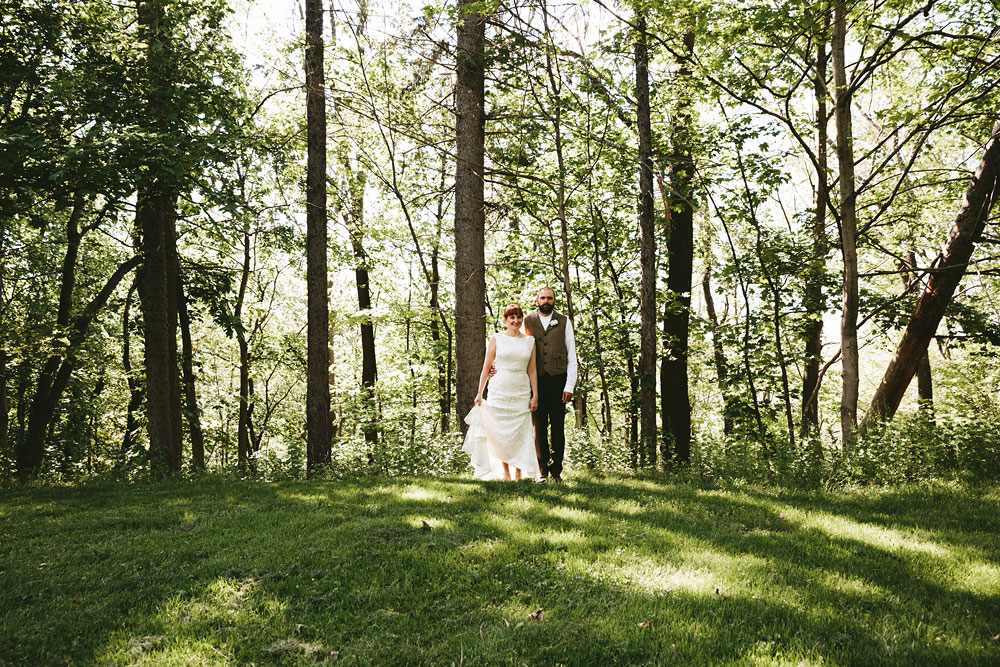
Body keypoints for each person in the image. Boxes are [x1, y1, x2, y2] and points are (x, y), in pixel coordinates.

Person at [462, 304, 540, 481]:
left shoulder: (529, 341)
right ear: (505, 320)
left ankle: (519, 471)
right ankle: (506, 472)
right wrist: (479, 392)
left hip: (521, 388)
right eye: (511, 317)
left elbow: (532, 370)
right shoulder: (496, 338)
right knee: (501, 430)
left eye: (519, 317)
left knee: (520, 431)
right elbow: (486, 367)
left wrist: (535, 395)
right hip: (500, 388)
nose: (516, 321)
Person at [522, 287, 577, 482]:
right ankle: (542, 467)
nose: (546, 301)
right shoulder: (526, 321)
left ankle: (557, 469)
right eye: (543, 298)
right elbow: (516, 347)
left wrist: (569, 386)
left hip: (558, 380)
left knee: (558, 427)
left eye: (550, 298)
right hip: (534, 383)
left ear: (554, 300)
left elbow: (572, 356)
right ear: (537, 300)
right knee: (538, 427)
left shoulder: (564, 321)